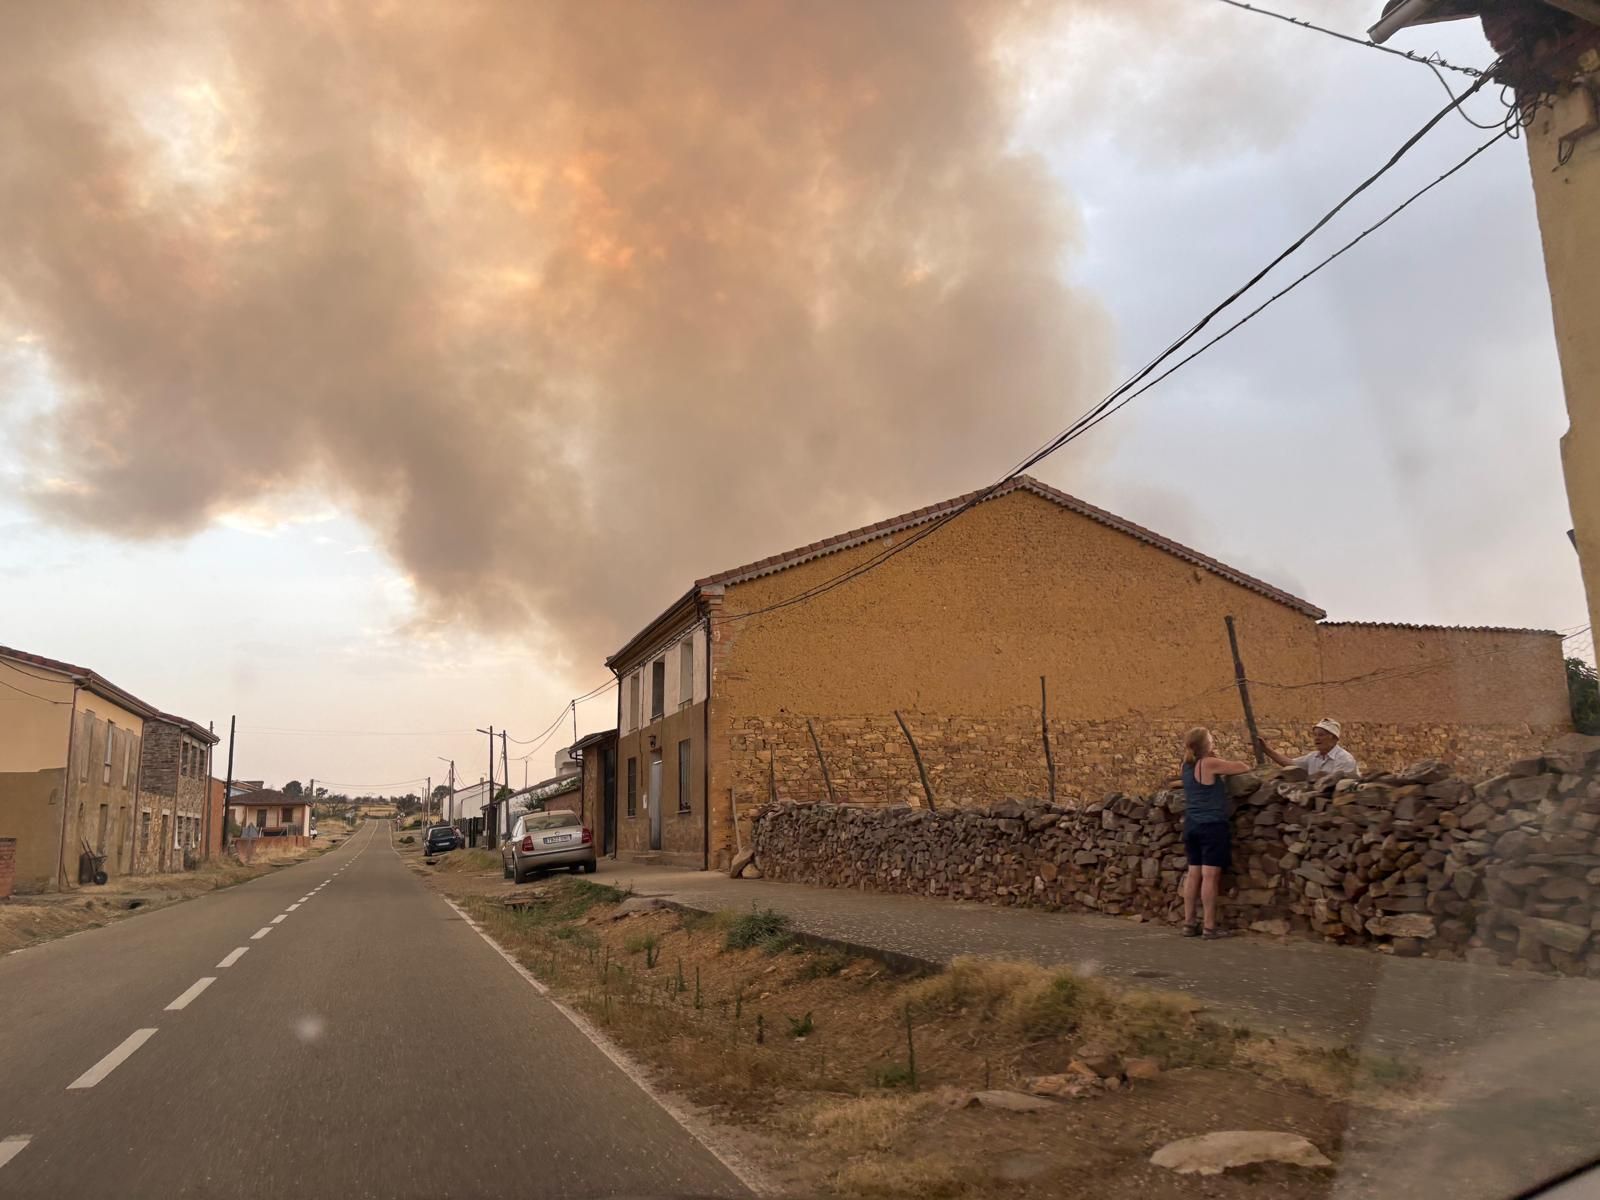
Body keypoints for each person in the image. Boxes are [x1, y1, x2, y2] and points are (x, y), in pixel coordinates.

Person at [1175, 727, 1252, 939]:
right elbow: (1243, 767)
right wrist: (1218, 759)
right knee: (1210, 876)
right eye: (1211, 740)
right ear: (1206, 745)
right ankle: (1209, 926)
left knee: (1193, 874)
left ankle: (1188, 923)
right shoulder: (1208, 763)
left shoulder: (1186, 766)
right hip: (1212, 825)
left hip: (1192, 824)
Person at [1258, 718, 1358, 780]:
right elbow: (1290, 764)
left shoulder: (1344, 759)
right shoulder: (1313, 757)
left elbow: (1336, 785)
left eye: (1321, 735)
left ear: (1334, 738)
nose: (1317, 738)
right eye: (1315, 735)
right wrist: (1267, 750)